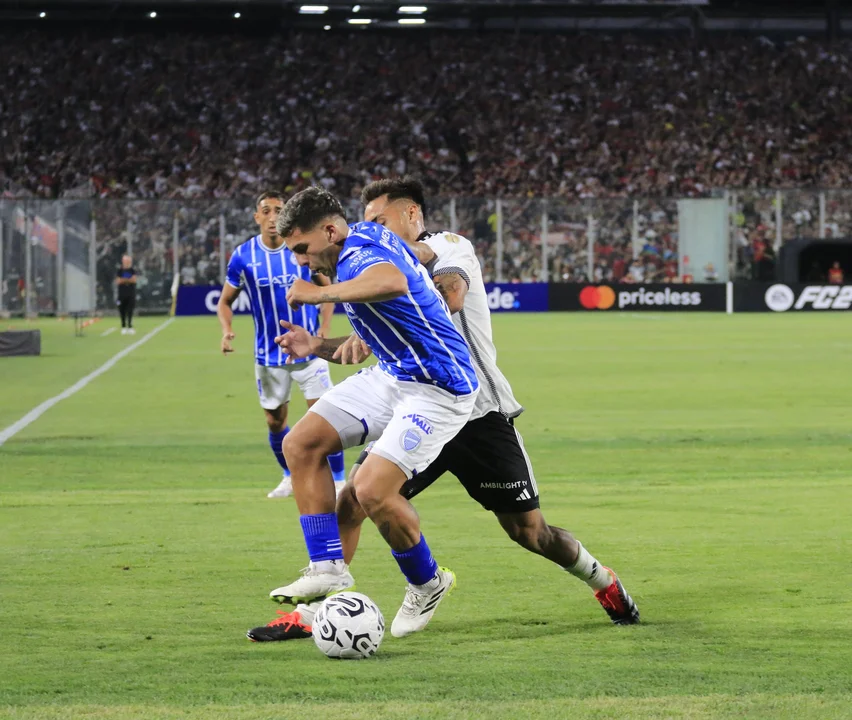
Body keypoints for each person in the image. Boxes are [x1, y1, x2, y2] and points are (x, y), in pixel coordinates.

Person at [248, 177, 638, 643]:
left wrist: (340, 292)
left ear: (411, 214)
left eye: (381, 218)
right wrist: (317, 344)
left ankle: (603, 581)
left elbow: (448, 294)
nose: (373, 226)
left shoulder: (446, 247)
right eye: (367, 219)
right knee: (353, 499)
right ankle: (318, 609)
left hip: (475, 412)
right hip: (406, 392)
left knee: (530, 532)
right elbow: (361, 346)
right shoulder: (367, 255)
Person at [260, 187, 479, 640]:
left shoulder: (360, 251)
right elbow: (379, 321)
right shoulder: (352, 249)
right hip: (393, 377)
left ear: (330, 230)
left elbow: (392, 283)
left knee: (372, 491)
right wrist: (317, 345)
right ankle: (327, 567)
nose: (300, 261)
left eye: (302, 248)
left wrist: (318, 296)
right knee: (300, 443)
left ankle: (428, 582)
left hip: (439, 389)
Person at [217, 191, 346, 499]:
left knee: (324, 417)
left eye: (279, 210)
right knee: (275, 422)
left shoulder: (302, 249)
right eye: (267, 210)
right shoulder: (243, 256)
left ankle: (339, 480)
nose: (273, 216)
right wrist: (226, 329)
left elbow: (328, 292)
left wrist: (324, 331)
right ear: (257, 217)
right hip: (268, 354)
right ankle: (289, 476)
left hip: (309, 353)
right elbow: (225, 301)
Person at [116, 255, 137, 335]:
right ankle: (123, 326)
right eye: (125, 260)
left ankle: (130, 326)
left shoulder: (132, 270)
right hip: (121, 294)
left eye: (128, 260)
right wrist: (128, 280)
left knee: (130, 310)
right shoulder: (120, 270)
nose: (127, 262)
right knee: (122, 310)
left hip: (131, 293)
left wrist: (124, 280)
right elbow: (118, 281)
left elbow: (134, 280)